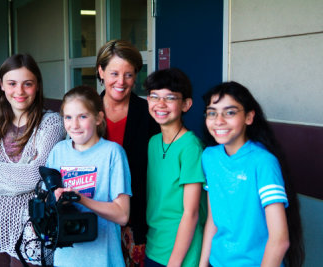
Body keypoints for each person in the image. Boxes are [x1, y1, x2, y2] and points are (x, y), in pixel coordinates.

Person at [0, 54, 66, 267]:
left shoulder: (52, 124)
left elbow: (35, 176)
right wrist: (18, 180)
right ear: (1, 85)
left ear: (37, 86)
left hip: (32, 225)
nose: (19, 91)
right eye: (12, 83)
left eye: (27, 84)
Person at [199, 81, 304, 267]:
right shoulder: (209, 157)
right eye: (212, 112)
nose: (219, 120)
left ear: (249, 117)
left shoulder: (262, 161)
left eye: (230, 112)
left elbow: (280, 240)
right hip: (217, 261)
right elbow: (213, 220)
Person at [45, 85, 132, 267]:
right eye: (68, 117)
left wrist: (80, 199)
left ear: (99, 118)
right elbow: (48, 204)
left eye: (82, 117)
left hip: (103, 259)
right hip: (66, 259)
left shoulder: (112, 152)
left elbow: (122, 215)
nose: (74, 125)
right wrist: (54, 200)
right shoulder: (58, 151)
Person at [96, 39, 160, 267]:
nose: (121, 82)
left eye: (129, 75)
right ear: (101, 71)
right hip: (93, 216)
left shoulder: (149, 114)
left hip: (136, 219)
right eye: (114, 73)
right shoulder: (85, 111)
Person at [143, 68, 207, 267]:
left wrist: (174, 262)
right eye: (154, 96)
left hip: (181, 254)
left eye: (170, 98)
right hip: (154, 244)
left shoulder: (190, 147)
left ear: (186, 104)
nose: (160, 104)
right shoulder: (153, 142)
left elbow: (191, 212)